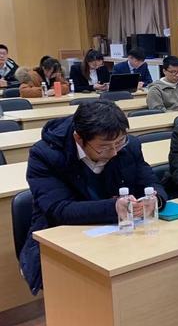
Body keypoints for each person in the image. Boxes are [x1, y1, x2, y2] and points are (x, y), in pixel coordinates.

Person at [20, 100, 167, 294]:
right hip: (64, 237)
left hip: (118, 234)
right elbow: (59, 209)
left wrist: (155, 200)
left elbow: (151, 182)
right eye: (104, 147)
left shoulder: (128, 146)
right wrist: (114, 207)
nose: (114, 152)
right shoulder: (45, 155)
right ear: (79, 139)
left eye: (119, 142)